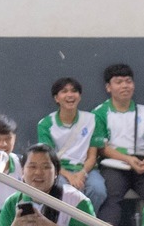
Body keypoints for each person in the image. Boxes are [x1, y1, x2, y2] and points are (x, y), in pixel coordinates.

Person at [93, 63, 144, 226]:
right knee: (110, 195)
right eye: (119, 82)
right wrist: (128, 160)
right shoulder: (99, 113)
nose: (125, 85)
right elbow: (103, 148)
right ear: (108, 87)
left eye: (128, 81)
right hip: (114, 164)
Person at [37, 77, 105, 205]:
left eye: (74, 91)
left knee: (98, 190)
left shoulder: (92, 120)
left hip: (86, 169)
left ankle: (87, 223)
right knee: (64, 192)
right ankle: (65, 224)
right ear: (56, 98)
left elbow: (92, 157)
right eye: (64, 91)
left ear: (79, 96)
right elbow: (49, 159)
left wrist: (81, 174)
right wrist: (69, 176)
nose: (70, 95)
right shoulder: (45, 124)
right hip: (59, 170)